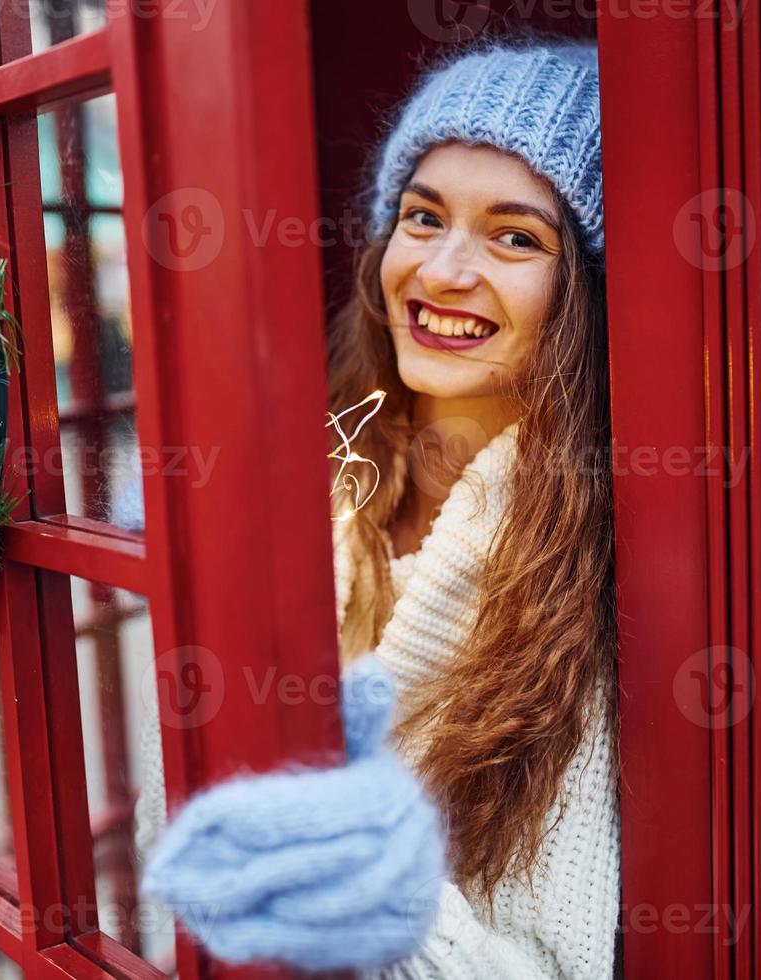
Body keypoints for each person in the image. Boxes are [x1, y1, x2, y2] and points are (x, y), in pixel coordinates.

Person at [137, 37, 617, 978]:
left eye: (516, 236)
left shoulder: (606, 576)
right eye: (421, 217)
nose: (441, 271)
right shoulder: (291, 486)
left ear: (587, 292)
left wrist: (385, 910)